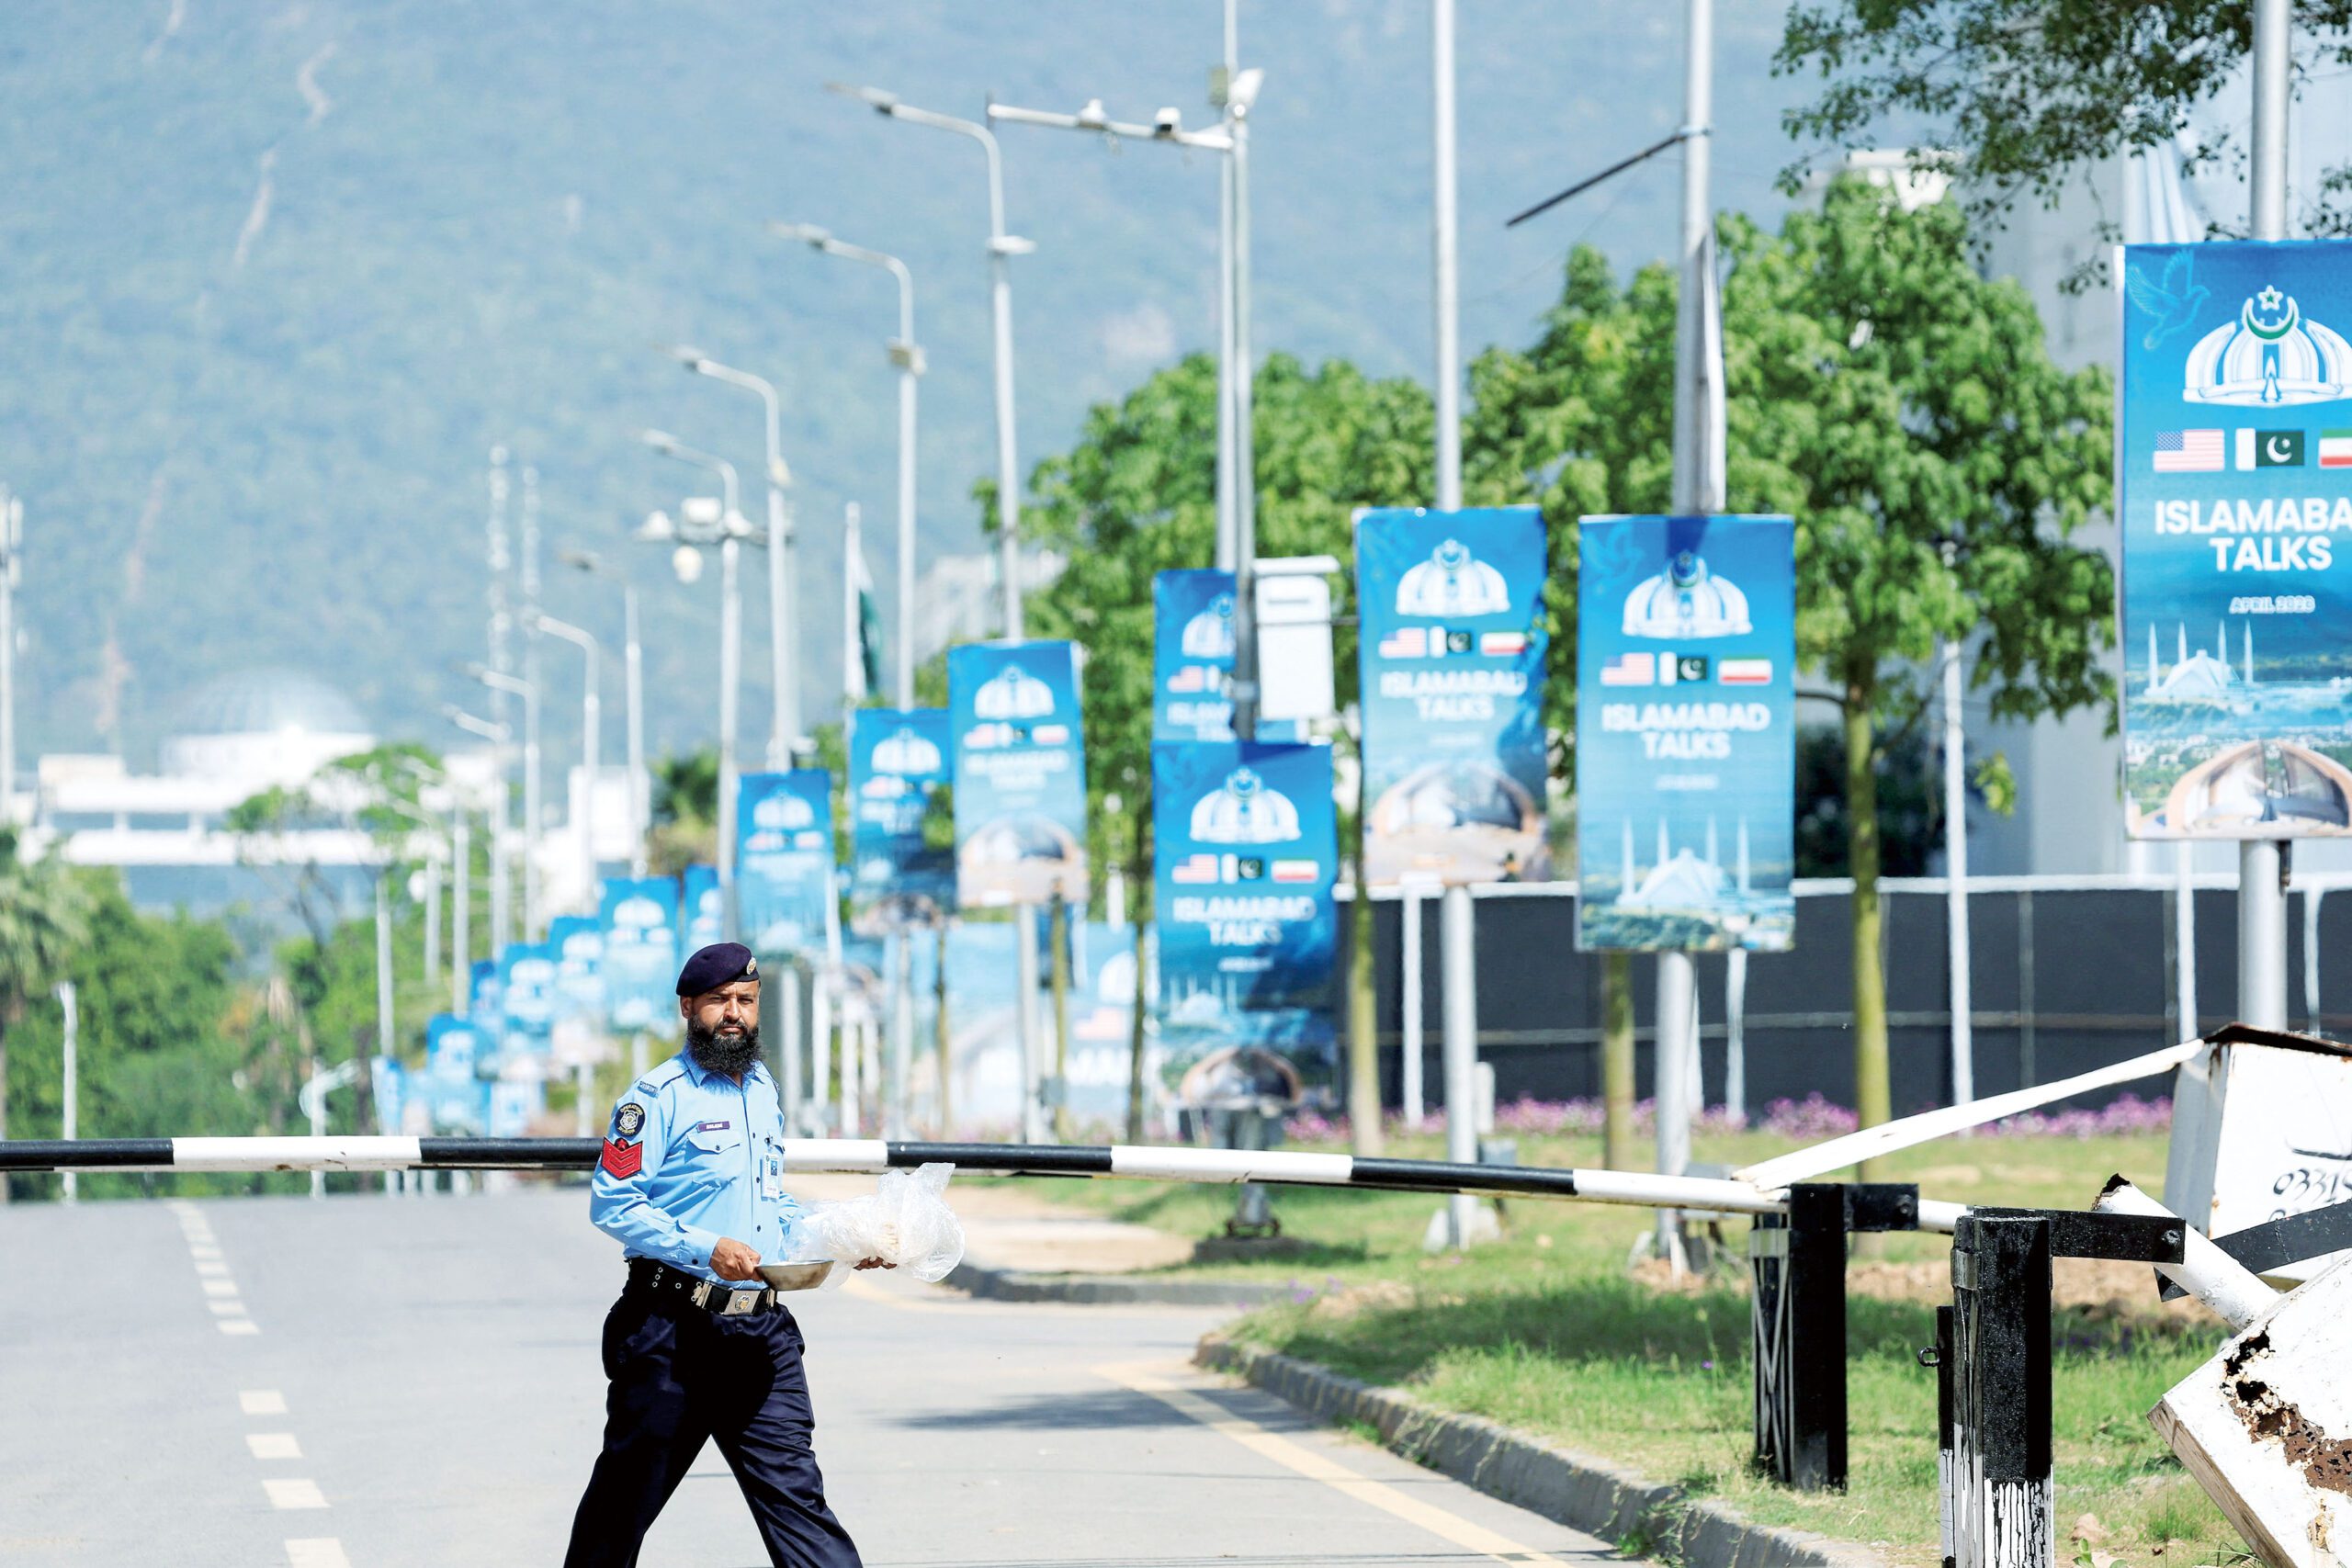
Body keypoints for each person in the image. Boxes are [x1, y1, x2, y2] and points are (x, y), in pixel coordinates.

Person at [564, 942, 882, 1568]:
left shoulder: (762, 1088)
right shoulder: (655, 1098)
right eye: (719, 1000)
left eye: (746, 1000)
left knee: (800, 1505)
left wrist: (843, 1238)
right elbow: (614, 1203)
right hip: (671, 1333)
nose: (734, 1012)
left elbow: (770, 1204)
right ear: (689, 1006)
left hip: (758, 1333)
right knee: (618, 1512)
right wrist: (706, 1247)